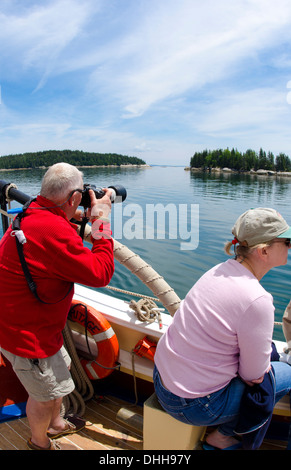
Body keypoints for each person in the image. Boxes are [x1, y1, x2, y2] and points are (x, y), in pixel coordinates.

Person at [154, 207, 291, 450]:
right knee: (285, 374)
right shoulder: (257, 300)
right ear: (264, 250)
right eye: (287, 241)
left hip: (162, 381)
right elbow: (254, 376)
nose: (290, 247)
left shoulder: (218, 270)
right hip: (194, 406)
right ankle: (225, 435)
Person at [0, 162, 114, 450]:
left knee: (60, 372)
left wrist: (78, 214)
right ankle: (39, 442)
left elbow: (56, 238)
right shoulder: (50, 229)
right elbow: (100, 273)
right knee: (44, 395)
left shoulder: (33, 210)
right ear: (74, 198)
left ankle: (57, 424)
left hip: (34, 324)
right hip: (27, 336)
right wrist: (101, 220)